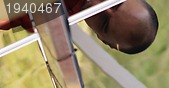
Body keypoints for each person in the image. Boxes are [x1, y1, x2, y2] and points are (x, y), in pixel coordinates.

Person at [0, 0, 158, 54]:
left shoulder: (48, 16)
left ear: (101, 39)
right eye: (115, 4)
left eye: (104, 23)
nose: (100, 6)